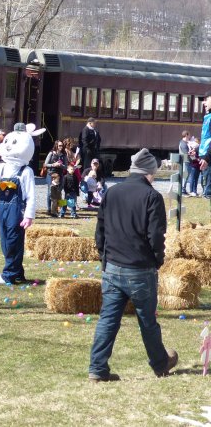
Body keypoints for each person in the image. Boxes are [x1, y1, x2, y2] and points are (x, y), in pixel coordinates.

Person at [89, 148, 177, 382]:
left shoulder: (112, 192)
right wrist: (158, 259)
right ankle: (160, 363)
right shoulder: (152, 197)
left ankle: (97, 368)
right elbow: (156, 235)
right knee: (147, 321)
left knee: (108, 319)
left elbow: (100, 230)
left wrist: (103, 257)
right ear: (149, 173)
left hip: (113, 266)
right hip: (140, 268)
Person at [0, 123, 43, 285]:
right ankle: (18, 272)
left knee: (13, 240)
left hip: (17, 210)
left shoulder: (25, 171)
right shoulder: (2, 167)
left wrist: (29, 215)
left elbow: (30, 196)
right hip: (3, 207)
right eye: (6, 142)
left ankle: (9, 273)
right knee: (5, 240)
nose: (7, 146)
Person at [44, 140, 68, 215]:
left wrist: (60, 165)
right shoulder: (51, 153)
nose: (61, 147)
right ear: (56, 146)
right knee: (50, 192)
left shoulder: (64, 155)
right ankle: (48, 209)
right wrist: (53, 164)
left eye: (62, 145)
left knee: (59, 192)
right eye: (59, 145)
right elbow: (45, 164)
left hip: (60, 175)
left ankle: (58, 210)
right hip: (51, 174)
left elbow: (66, 167)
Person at [199, 91, 211, 180]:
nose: (203, 102)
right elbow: (206, 138)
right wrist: (196, 150)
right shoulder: (207, 117)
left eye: (206, 99)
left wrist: (207, 158)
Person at [179, 130, 191, 195]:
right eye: (189, 135)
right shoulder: (183, 143)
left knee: (186, 176)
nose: (190, 136)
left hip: (186, 161)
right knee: (185, 176)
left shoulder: (185, 143)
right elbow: (185, 153)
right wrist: (191, 153)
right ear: (186, 135)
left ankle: (184, 189)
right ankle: (183, 190)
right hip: (185, 161)